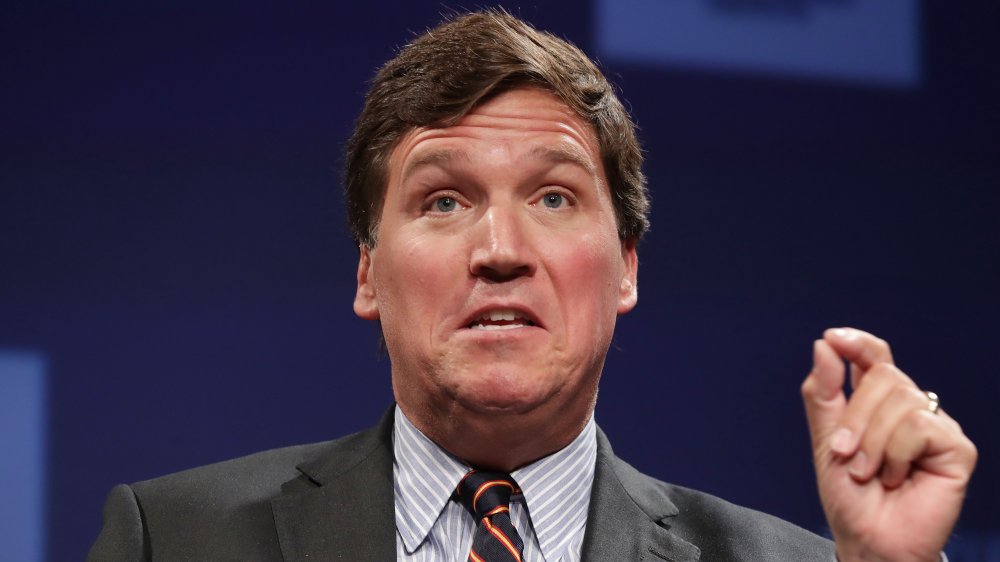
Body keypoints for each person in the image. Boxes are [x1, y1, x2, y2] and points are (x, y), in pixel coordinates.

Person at [88, 10, 977, 562]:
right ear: (367, 269)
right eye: (442, 200)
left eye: (554, 196)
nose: (500, 249)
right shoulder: (174, 541)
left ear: (626, 266)